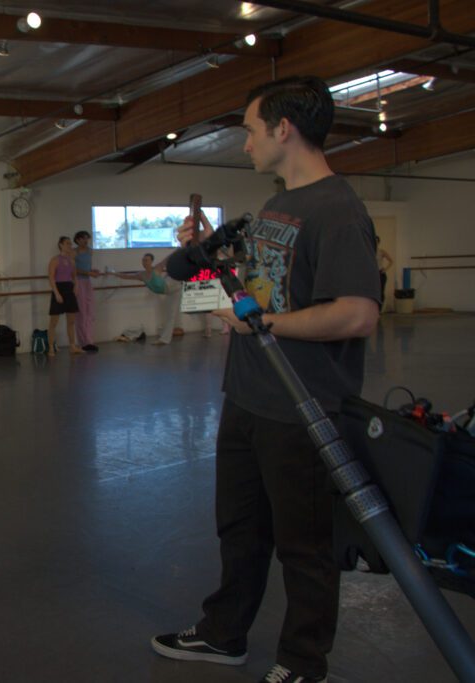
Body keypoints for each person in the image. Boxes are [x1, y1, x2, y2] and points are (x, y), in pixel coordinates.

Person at [150, 76, 380, 683]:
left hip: (304, 406)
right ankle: (223, 633)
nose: (246, 144)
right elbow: (258, 286)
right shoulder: (280, 205)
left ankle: (303, 663)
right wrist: (209, 256)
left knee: (304, 545)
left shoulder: (338, 210)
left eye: (252, 131)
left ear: (284, 129)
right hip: (248, 395)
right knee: (241, 530)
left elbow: (357, 313)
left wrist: (265, 322)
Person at [112, 253, 183, 345]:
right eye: (143, 260)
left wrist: (180, 249)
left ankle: (192, 266)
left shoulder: (157, 269)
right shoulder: (141, 275)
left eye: (146, 260)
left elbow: (167, 259)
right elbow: (127, 276)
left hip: (173, 285)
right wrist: (113, 273)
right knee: (170, 315)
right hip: (169, 292)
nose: (144, 262)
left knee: (178, 274)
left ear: (151, 262)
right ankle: (164, 340)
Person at [47, 236, 84, 356]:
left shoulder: (71, 261)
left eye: (70, 244)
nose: (70, 246)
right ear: (61, 245)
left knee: (71, 321)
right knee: (53, 322)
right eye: (67, 243)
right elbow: (51, 278)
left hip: (69, 289)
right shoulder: (55, 260)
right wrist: (56, 293)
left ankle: (72, 346)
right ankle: (50, 347)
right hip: (59, 288)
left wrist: (76, 286)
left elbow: (74, 276)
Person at [73, 230, 102, 352]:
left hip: (87, 282)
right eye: (83, 238)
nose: (86, 241)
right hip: (78, 282)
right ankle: (83, 342)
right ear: (78, 240)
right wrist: (88, 273)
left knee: (89, 311)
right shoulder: (74, 252)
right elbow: (73, 269)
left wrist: (92, 271)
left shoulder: (90, 251)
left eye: (87, 238)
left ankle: (89, 341)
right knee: (81, 312)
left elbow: (87, 267)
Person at [376, 235, 393, 311]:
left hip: (380, 273)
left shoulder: (381, 251)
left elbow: (391, 261)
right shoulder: (369, 251)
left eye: (376, 241)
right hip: (373, 274)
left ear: (378, 242)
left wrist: (385, 269)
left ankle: (380, 309)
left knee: (381, 291)